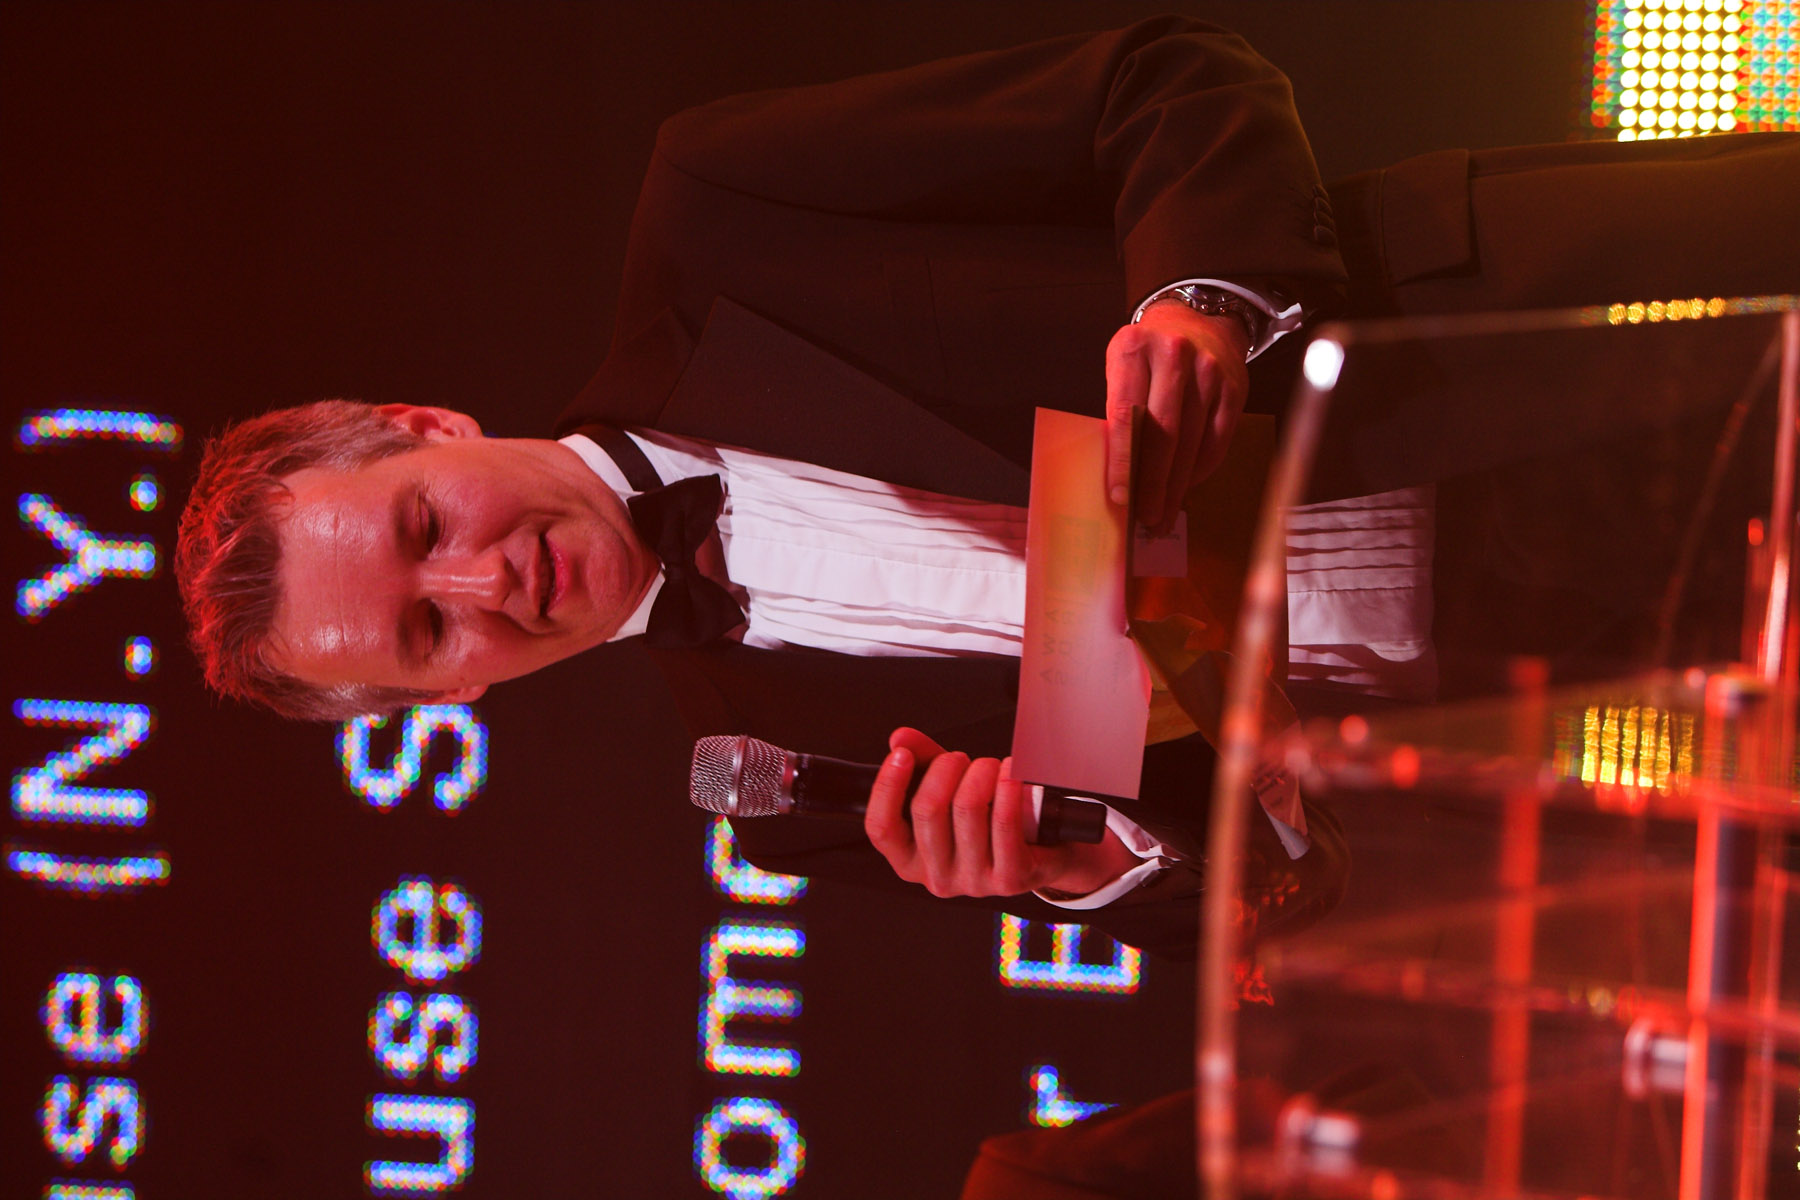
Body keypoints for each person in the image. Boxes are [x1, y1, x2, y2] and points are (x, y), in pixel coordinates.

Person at [177, 16, 1799, 955]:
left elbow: (1167, 79)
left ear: (422, 421)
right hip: (1595, 675)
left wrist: (1198, 300)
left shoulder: (721, 208)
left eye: (423, 527)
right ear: (441, 703)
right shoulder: (795, 799)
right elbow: (1293, 907)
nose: (482, 584)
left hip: (1529, 338)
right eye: (425, 633)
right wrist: (1102, 872)